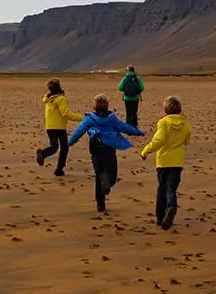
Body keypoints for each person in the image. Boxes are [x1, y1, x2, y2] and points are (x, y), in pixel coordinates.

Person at [68, 94, 144, 213]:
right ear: (107, 105)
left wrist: (70, 142)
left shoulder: (90, 119)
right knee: (111, 173)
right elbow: (124, 127)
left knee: (99, 175)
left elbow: (79, 131)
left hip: (96, 148)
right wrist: (138, 132)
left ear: (94, 106)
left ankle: (100, 204)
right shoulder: (111, 118)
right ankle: (107, 180)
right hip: (109, 148)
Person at [140, 95, 191, 230]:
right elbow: (187, 139)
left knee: (162, 188)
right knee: (171, 187)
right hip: (177, 161)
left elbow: (158, 140)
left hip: (163, 161)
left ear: (165, 111)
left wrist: (145, 151)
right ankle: (171, 206)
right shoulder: (184, 122)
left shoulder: (164, 122)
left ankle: (160, 216)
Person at [36, 79, 84, 176]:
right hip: (60, 127)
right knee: (64, 148)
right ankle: (59, 169)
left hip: (49, 126)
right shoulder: (61, 99)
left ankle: (43, 153)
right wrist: (82, 118)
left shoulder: (48, 98)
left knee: (54, 147)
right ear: (59, 87)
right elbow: (66, 114)